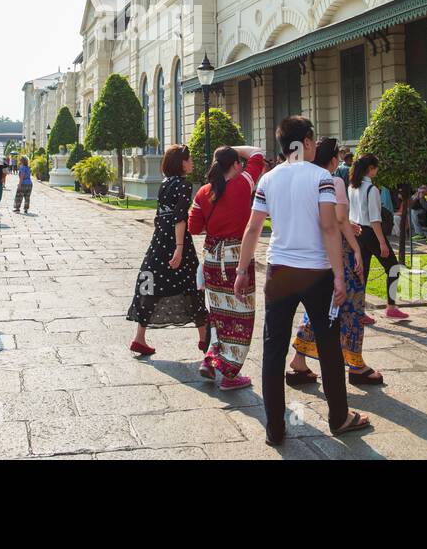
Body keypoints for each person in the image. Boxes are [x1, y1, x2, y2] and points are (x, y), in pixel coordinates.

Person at [234, 116, 369, 445]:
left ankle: (274, 428)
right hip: (316, 273)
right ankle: (339, 417)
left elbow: (253, 229)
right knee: (328, 345)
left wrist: (241, 270)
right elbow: (328, 228)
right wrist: (339, 275)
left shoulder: (268, 179)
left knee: (273, 349)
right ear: (306, 142)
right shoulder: (322, 177)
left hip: (279, 271)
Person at [288, 138, 384, 388]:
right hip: (337, 252)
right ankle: (355, 363)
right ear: (333, 159)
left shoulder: (302, 180)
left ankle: (299, 359)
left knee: (319, 307)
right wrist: (355, 248)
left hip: (313, 252)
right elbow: (340, 220)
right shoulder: (334, 180)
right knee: (351, 306)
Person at [188, 143, 265, 390]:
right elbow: (258, 153)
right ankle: (230, 374)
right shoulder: (243, 183)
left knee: (219, 315)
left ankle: (211, 359)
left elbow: (193, 227)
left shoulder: (203, 193)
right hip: (237, 258)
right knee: (241, 317)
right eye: (238, 162)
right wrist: (232, 147)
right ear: (234, 164)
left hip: (212, 257)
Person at [126, 144, 208, 357]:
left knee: (150, 283)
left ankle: (139, 337)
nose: (192, 163)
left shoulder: (165, 183)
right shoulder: (183, 184)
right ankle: (204, 337)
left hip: (158, 241)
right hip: (176, 243)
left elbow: (162, 215)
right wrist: (179, 249)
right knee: (193, 285)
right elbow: (180, 218)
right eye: (189, 159)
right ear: (181, 162)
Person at [352, 153, 406, 320]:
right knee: (393, 267)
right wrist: (382, 242)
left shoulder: (352, 187)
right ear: (371, 169)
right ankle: (391, 306)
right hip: (370, 231)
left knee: (363, 272)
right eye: (376, 168)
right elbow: (375, 219)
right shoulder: (372, 189)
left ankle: (359, 310)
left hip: (357, 231)